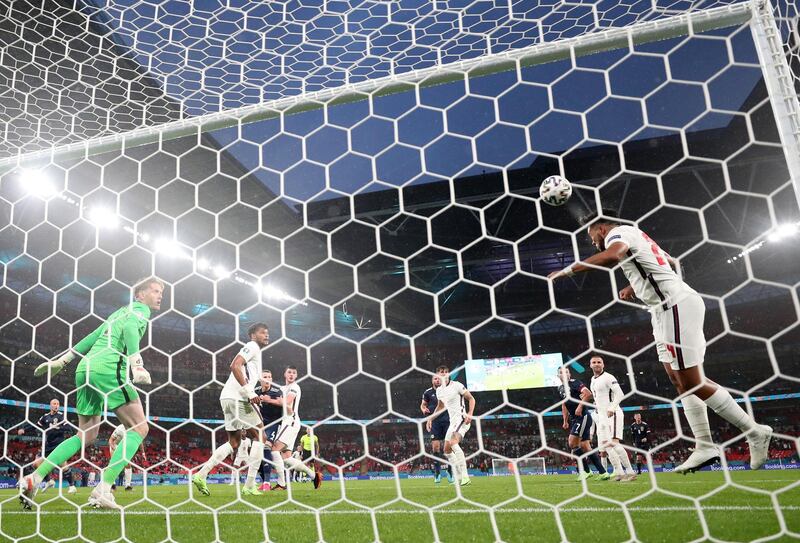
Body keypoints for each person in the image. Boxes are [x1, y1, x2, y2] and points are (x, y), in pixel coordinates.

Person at [548, 212, 772, 473]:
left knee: (692, 381)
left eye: (591, 234)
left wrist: (568, 270)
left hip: (673, 306)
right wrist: (638, 286)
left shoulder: (618, 233)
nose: (593, 241)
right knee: (679, 381)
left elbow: (613, 255)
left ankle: (754, 431)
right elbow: (670, 262)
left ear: (600, 227)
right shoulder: (637, 233)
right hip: (663, 310)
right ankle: (704, 445)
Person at [21, 278, 163, 510]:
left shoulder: (118, 312)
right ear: (139, 295)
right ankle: (104, 489)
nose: (159, 296)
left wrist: (63, 359)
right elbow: (129, 330)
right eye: (155, 291)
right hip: (109, 367)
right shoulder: (140, 309)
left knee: (85, 435)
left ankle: (34, 478)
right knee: (139, 428)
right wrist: (136, 363)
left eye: (161, 292)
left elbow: (93, 335)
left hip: (85, 368)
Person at [192, 323, 270, 497]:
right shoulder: (252, 346)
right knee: (260, 436)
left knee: (234, 442)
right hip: (238, 397)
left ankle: (201, 474)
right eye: (262, 333)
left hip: (227, 398)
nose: (266, 335)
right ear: (252, 335)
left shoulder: (256, 354)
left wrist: (259, 384)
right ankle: (249, 485)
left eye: (267, 333)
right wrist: (249, 391)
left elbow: (245, 372)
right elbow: (235, 365)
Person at [582, 355, 636, 481]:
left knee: (613, 442)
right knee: (606, 446)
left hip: (613, 413)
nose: (596, 364)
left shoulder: (608, 377)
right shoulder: (593, 379)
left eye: (599, 362)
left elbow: (620, 393)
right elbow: (598, 397)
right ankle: (620, 472)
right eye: (594, 362)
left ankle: (630, 471)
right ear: (590, 365)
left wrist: (612, 407)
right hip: (601, 417)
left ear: (603, 364)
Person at [270, 366, 322, 490]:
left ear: (296, 376)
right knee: (287, 458)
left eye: (294, 373)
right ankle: (314, 476)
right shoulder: (282, 388)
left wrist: (268, 399)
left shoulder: (294, 387)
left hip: (290, 422)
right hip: (285, 423)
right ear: (285, 374)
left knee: (273, 450)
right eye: (289, 372)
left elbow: (287, 402)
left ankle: (281, 484)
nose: (291, 374)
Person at [426, 366, 476, 487]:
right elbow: (440, 406)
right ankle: (458, 476)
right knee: (447, 451)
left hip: (462, 419)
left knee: (453, 443)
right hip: (452, 422)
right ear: (437, 375)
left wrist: (470, 414)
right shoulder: (439, 391)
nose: (443, 374)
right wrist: (430, 418)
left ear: (449, 374)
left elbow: (471, 399)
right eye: (441, 373)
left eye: (446, 372)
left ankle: (465, 477)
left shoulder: (457, 385)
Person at [557, 367, 608, 481]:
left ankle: (586, 471)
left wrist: (580, 407)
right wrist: (565, 421)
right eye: (561, 372)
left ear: (569, 374)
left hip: (583, 417)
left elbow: (588, 394)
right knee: (585, 446)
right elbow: (564, 405)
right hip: (574, 419)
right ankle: (603, 473)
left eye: (566, 372)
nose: (564, 374)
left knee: (572, 442)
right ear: (558, 376)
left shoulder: (575, 383)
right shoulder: (560, 388)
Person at [18, 399, 77, 494]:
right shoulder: (45, 417)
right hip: (48, 445)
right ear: (50, 405)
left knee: (62, 465)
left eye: (58, 404)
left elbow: (69, 428)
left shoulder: (61, 416)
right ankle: (49, 481)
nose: (56, 405)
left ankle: (72, 486)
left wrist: (57, 427)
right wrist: (24, 430)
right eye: (54, 404)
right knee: (36, 464)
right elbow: (36, 426)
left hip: (59, 444)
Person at [421, 375, 454, 484]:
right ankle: (437, 473)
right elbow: (423, 405)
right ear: (432, 380)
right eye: (435, 378)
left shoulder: (447, 391)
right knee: (435, 447)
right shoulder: (428, 392)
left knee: (449, 447)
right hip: (435, 422)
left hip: (448, 420)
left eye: (439, 378)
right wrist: (424, 409)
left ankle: (450, 472)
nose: (437, 380)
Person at [254, 370, 283, 491]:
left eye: (269, 377)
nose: (267, 379)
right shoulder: (256, 391)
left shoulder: (276, 391)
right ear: (260, 379)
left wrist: (267, 400)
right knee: (256, 452)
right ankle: (264, 480)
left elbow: (282, 403)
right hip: (261, 424)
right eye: (265, 377)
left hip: (274, 423)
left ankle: (267, 482)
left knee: (267, 447)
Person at [108, 423, 146, 491]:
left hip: (124, 448)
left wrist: (143, 453)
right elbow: (111, 440)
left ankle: (127, 486)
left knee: (128, 465)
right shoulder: (120, 428)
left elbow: (140, 442)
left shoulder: (135, 430)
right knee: (114, 464)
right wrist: (114, 448)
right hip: (115, 446)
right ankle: (112, 485)